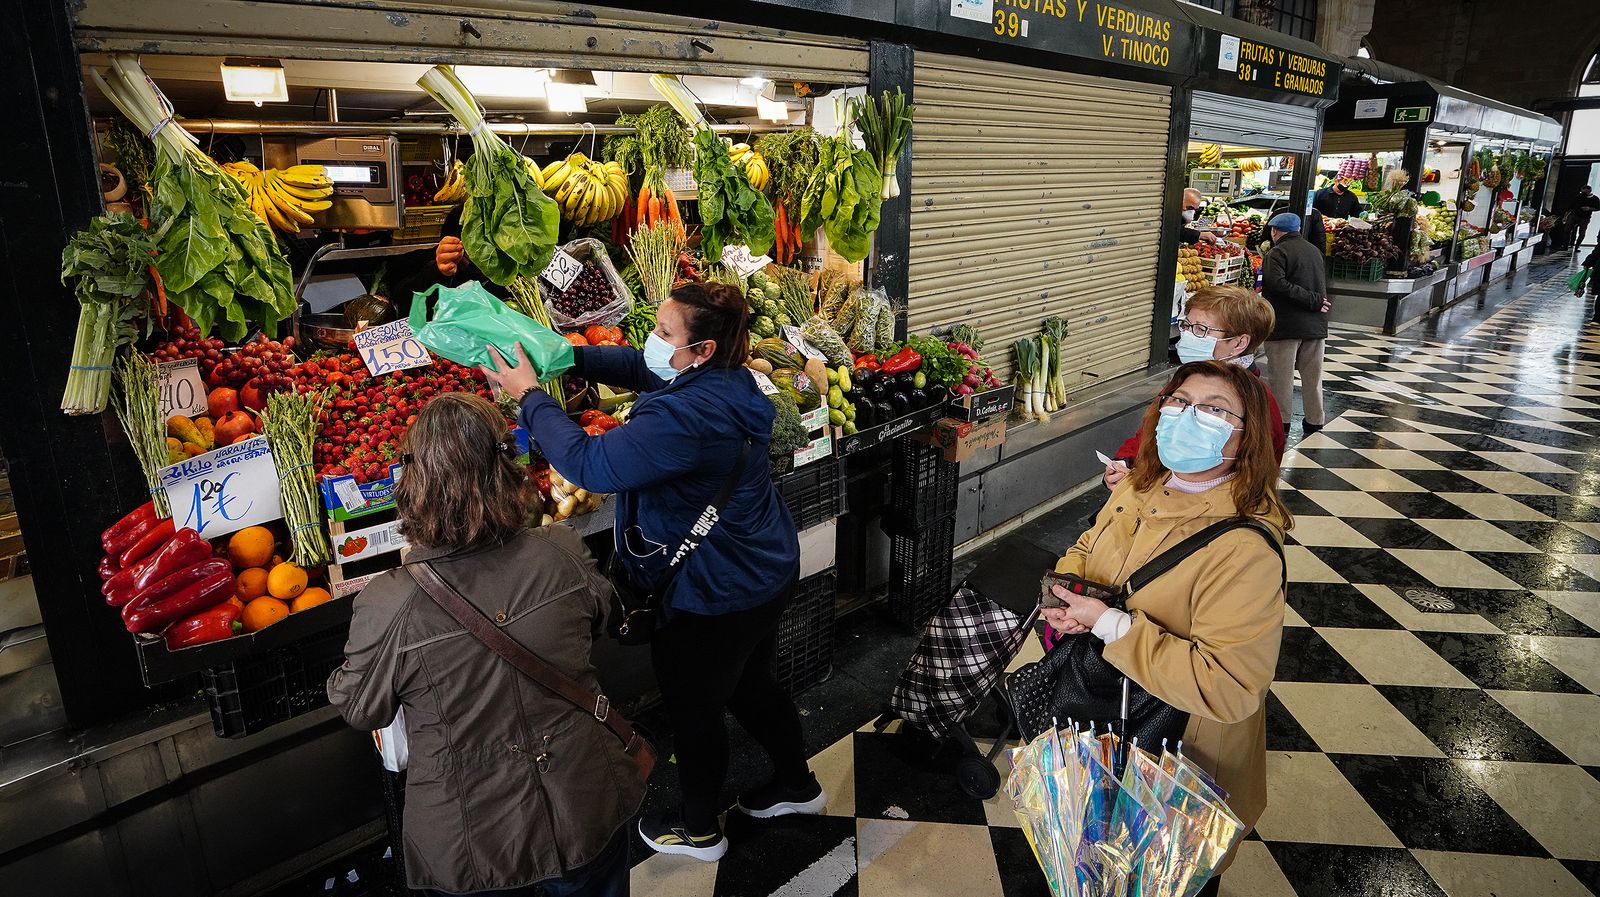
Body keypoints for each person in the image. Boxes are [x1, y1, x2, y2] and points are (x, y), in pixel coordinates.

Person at [480, 281, 817, 863]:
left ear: (701, 349)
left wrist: (532, 397)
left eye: (664, 334)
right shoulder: (728, 380)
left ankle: (698, 830)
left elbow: (590, 464)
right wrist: (569, 353)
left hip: (714, 590)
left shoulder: (685, 418)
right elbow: (642, 366)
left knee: (695, 709)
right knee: (748, 684)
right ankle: (796, 784)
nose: (651, 343)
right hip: (764, 568)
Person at [327, 393, 643, 897]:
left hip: (474, 839)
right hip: (584, 803)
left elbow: (360, 708)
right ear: (508, 468)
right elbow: (605, 617)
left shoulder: (390, 602)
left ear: (413, 482)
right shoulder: (561, 550)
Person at [1043, 360, 1291, 893]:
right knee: (1089, 863)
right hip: (1101, 720)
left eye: (1215, 410)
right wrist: (1071, 587)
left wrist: (1111, 625)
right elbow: (1090, 545)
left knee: (1161, 876)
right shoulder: (1140, 485)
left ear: (1248, 440)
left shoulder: (1245, 548)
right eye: (1178, 403)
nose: (1187, 416)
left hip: (1177, 753)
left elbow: (1228, 686)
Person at [1105, 286, 1285, 489]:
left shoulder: (1256, 402)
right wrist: (1126, 461)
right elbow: (1152, 432)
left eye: (1201, 330)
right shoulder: (1187, 381)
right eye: (1187, 326)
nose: (1188, 336)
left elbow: (1252, 476)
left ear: (1239, 343)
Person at [1259, 211, 1330, 436]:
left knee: (1282, 377)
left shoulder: (1277, 252)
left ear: (1275, 231)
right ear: (1298, 230)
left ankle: (1282, 422)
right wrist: (1316, 303)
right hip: (1315, 327)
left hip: (1286, 326)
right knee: (1313, 376)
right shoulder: (1314, 251)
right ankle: (1315, 420)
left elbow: (1276, 284)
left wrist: (1312, 301)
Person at [1568, 185, 1600, 250]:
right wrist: (1567, 215)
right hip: (1574, 215)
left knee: (1582, 233)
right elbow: (1571, 206)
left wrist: (1589, 208)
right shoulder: (1578, 197)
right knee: (1567, 230)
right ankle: (1566, 245)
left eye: (1584, 191)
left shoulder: (1595, 199)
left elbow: (1598, 208)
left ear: (1589, 190)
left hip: (1585, 217)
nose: (1582, 192)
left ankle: (1576, 246)